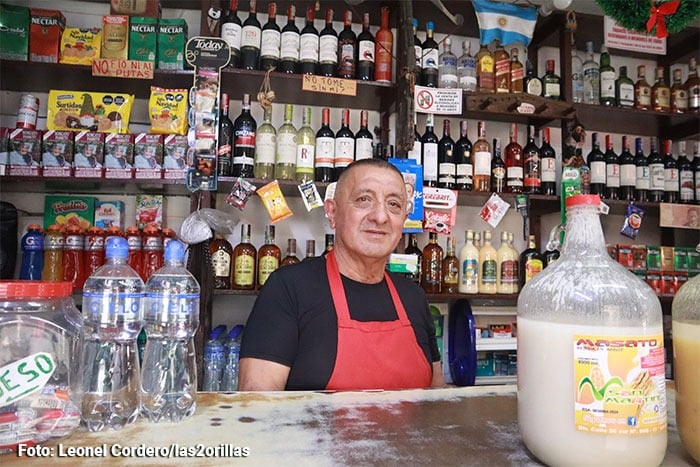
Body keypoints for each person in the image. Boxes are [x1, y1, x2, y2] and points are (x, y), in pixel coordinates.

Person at [239, 158, 445, 391]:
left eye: (394, 204)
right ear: (332, 212)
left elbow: (436, 398)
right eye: (363, 200)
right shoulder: (288, 288)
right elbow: (256, 406)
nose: (380, 216)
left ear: (403, 221)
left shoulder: (413, 297)